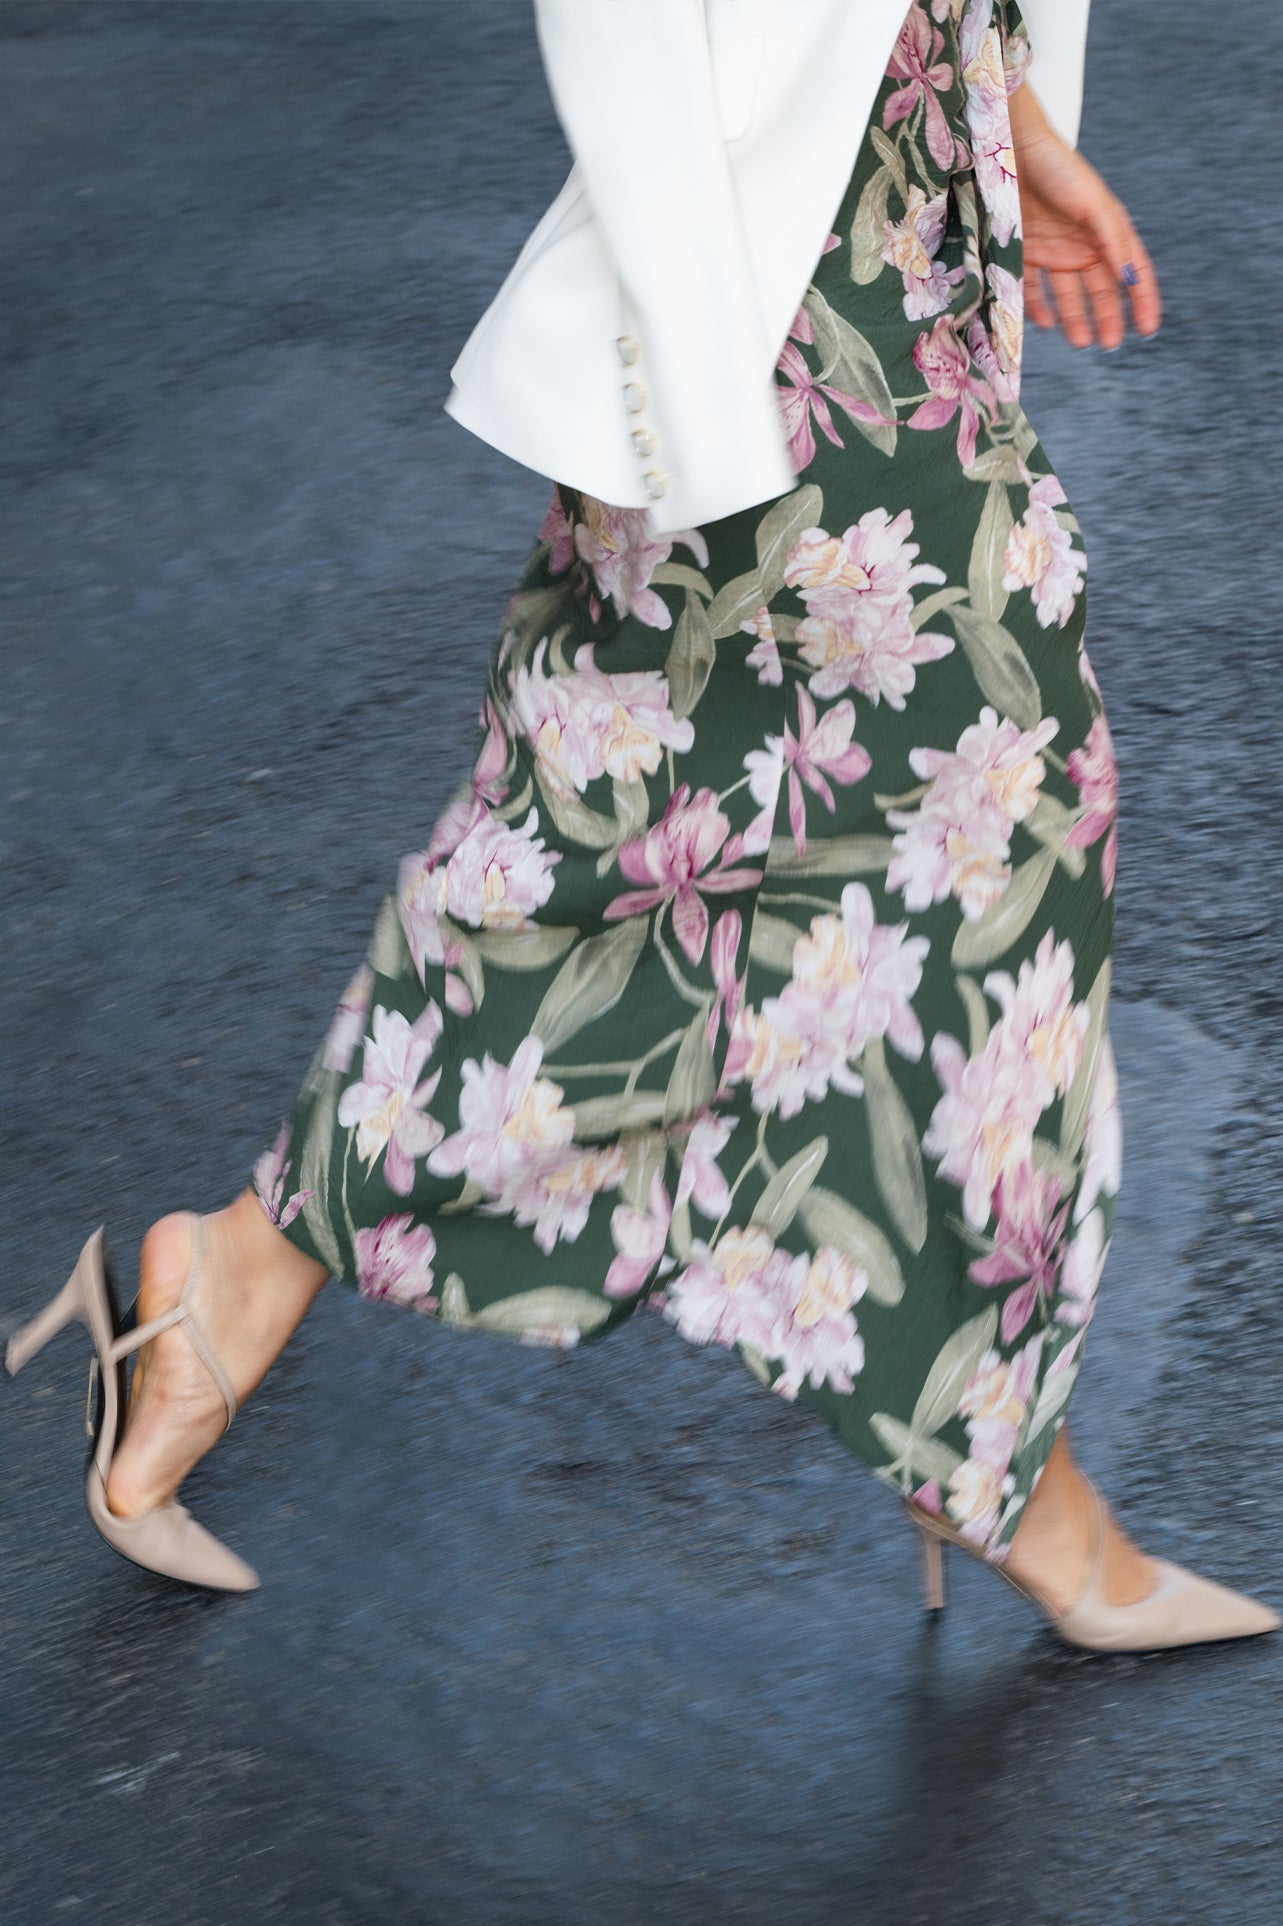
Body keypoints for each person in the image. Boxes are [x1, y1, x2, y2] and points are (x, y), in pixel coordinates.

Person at [9, 0, 1278, 1649]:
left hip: (899, 253)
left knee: (623, 847)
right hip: (769, 335)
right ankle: (991, 1462)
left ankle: (230, 1285)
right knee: (993, 815)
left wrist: (1002, 113)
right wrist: (698, 399)